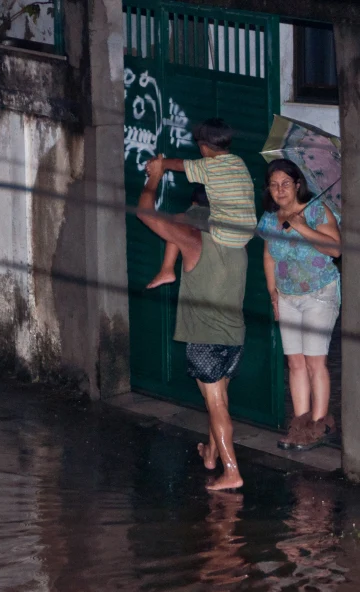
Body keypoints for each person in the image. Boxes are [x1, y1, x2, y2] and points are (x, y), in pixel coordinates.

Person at [136, 119, 257, 490]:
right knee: (217, 399)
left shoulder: (194, 243)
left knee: (216, 404)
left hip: (205, 336)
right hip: (234, 335)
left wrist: (154, 178)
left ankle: (232, 471)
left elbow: (145, 213)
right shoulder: (238, 244)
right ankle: (211, 455)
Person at [257, 158, 342, 451]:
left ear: (297, 184)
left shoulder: (317, 210)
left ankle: (319, 424)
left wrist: (302, 226)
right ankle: (300, 422)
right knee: (295, 362)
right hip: (287, 296)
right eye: (274, 185)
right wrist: (272, 292)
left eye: (285, 183)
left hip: (319, 293)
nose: (280, 190)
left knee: (315, 361)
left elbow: (335, 249)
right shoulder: (270, 218)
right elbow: (269, 256)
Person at [144, 186, 210, 289]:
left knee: (178, 220)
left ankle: (167, 268)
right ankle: (167, 270)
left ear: (194, 203)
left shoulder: (194, 213)